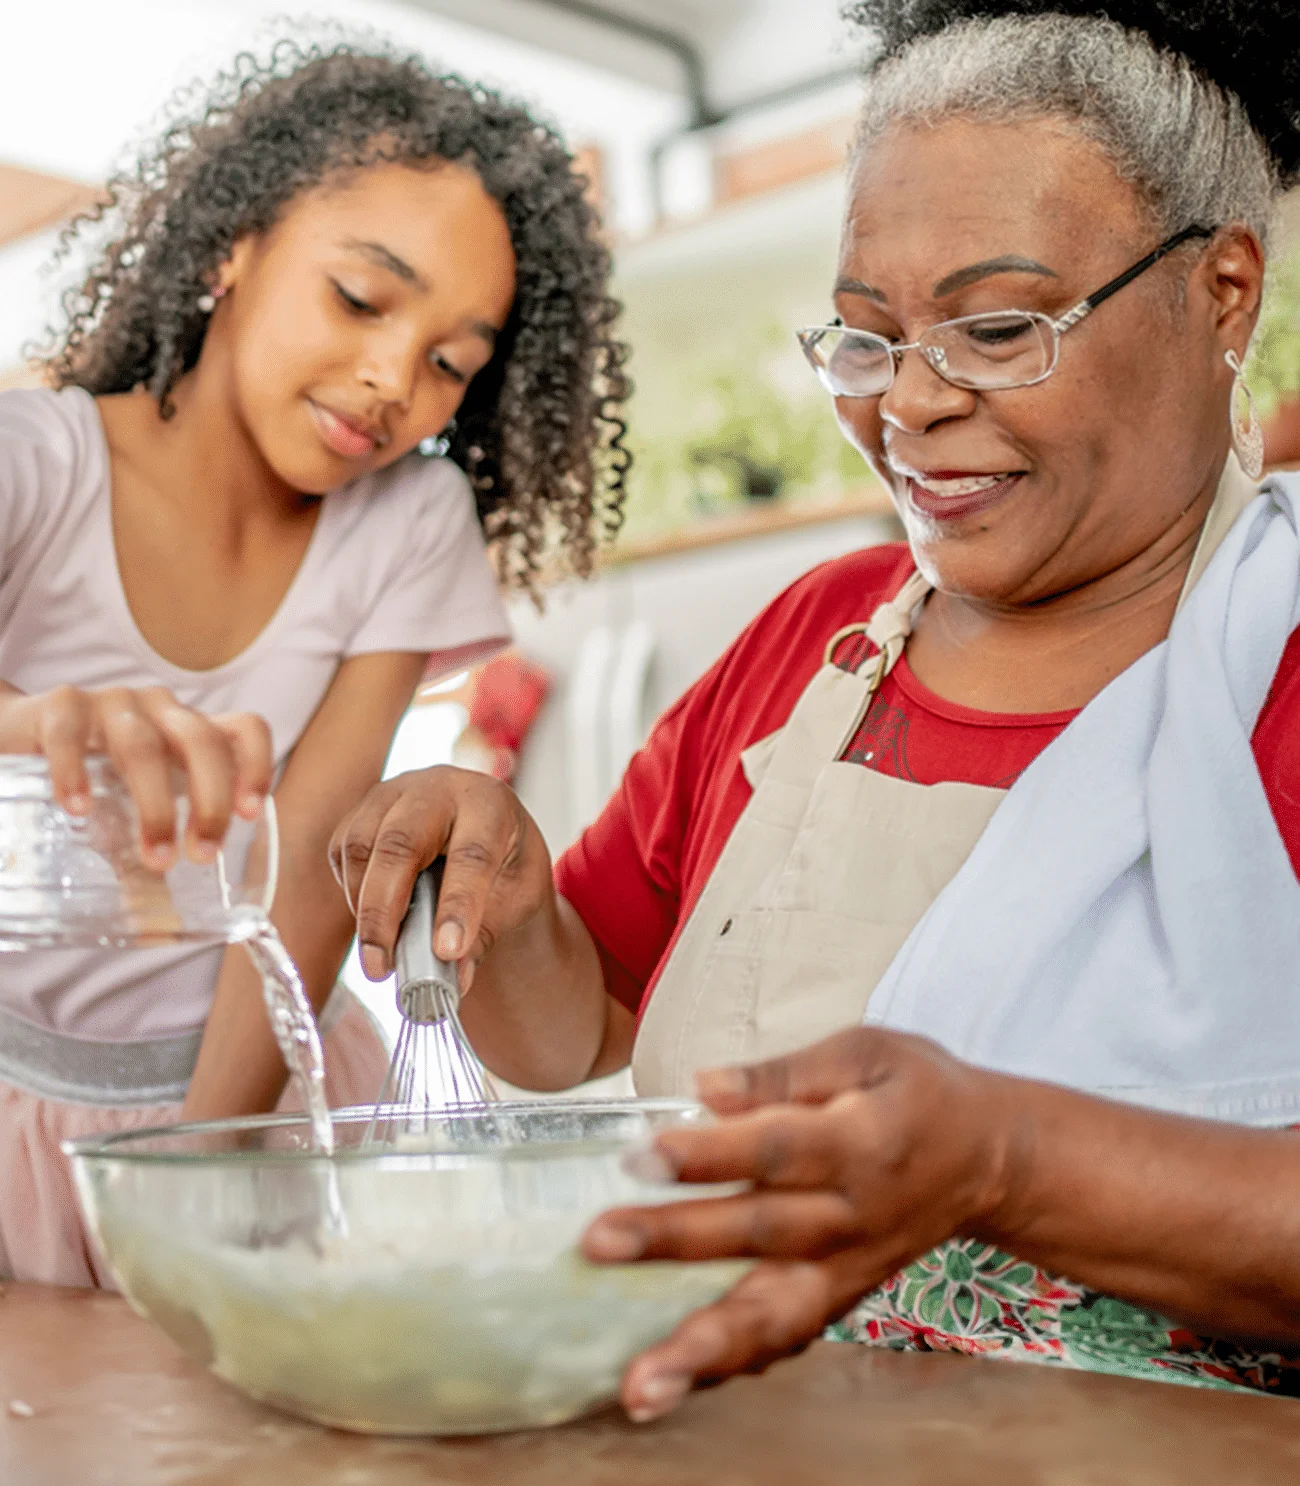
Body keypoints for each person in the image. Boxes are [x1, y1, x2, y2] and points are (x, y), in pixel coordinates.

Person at [335, 0, 1300, 1409]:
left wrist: (1003, 1162)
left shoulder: (1275, 660)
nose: (909, 403)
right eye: (864, 337)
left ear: (1222, 293)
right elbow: (585, 1021)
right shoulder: (811, 645)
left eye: (995, 325)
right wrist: (511, 891)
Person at [0, 40, 629, 1285]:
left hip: (250, 1097)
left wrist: (193, 1184)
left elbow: (307, 883)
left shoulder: (403, 523)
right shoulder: (34, 463)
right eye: (360, 298)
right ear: (232, 245)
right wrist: (35, 725)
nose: (394, 379)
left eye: (453, 360)